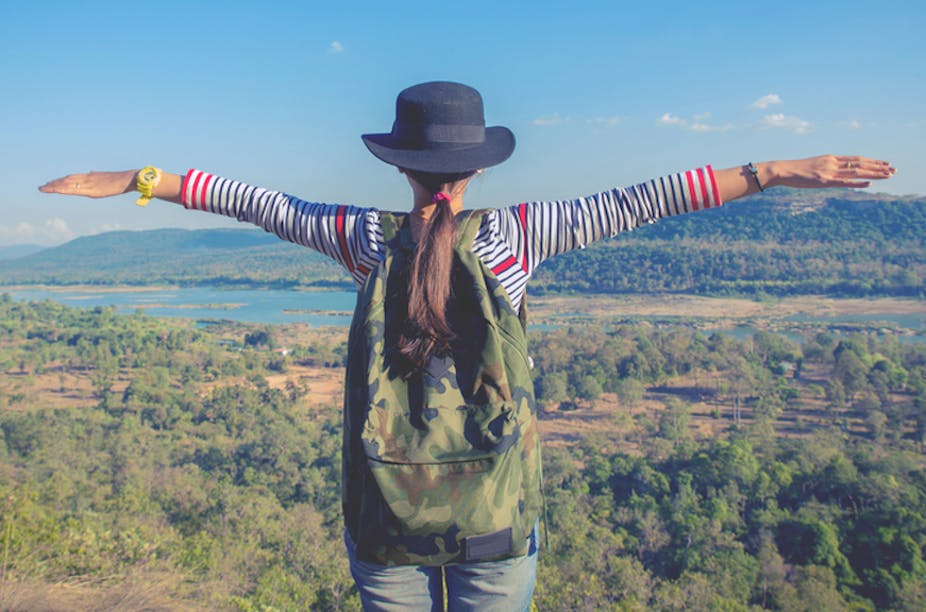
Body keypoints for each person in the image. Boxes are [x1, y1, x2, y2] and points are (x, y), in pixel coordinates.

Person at [40, 81, 894, 611]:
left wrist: (137, 180)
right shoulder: (522, 236)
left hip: (384, 517)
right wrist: (779, 169)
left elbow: (242, 197)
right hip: (496, 517)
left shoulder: (361, 240)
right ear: (479, 168)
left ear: (399, 166)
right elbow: (657, 196)